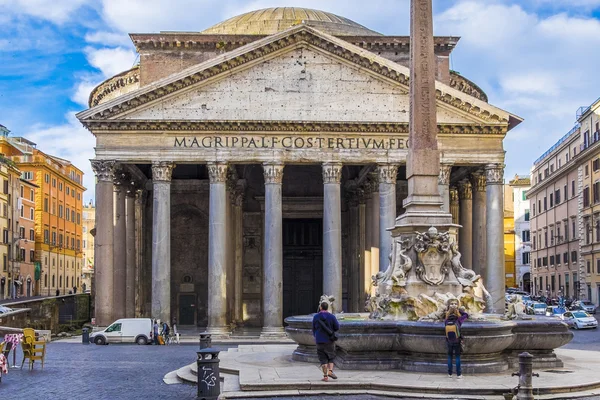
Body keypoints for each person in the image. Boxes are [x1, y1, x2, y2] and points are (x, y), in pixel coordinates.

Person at [312, 302, 339, 382]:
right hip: (329, 340)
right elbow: (337, 327)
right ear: (327, 308)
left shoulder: (316, 317)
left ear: (320, 307)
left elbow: (313, 328)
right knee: (331, 356)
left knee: (322, 358)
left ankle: (325, 376)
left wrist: (316, 336)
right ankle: (330, 371)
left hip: (319, 340)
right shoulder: (332, 317)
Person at [444, 299, 468, 379]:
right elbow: (466, 315)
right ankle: (459, 374)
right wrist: (460, 310)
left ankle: (449, 373)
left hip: (449, 340)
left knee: (449, 357)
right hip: (457, 340)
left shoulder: (446, 319)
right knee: (457, 357)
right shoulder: (459, 319)